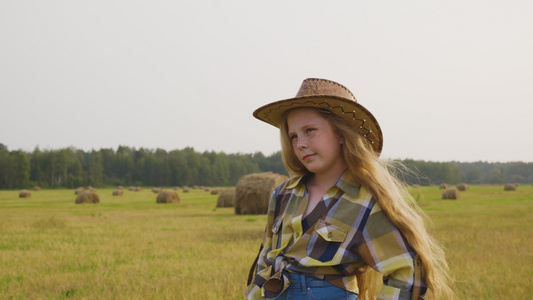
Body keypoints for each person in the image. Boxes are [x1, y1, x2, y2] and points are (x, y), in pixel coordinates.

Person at [245, 78, 454, 300]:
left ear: (342, 133)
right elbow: (265, 260)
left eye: (310, 130)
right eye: (293, 136)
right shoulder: (282, 194)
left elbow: (406, 273)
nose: (300, 143)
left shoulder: (366, 202)